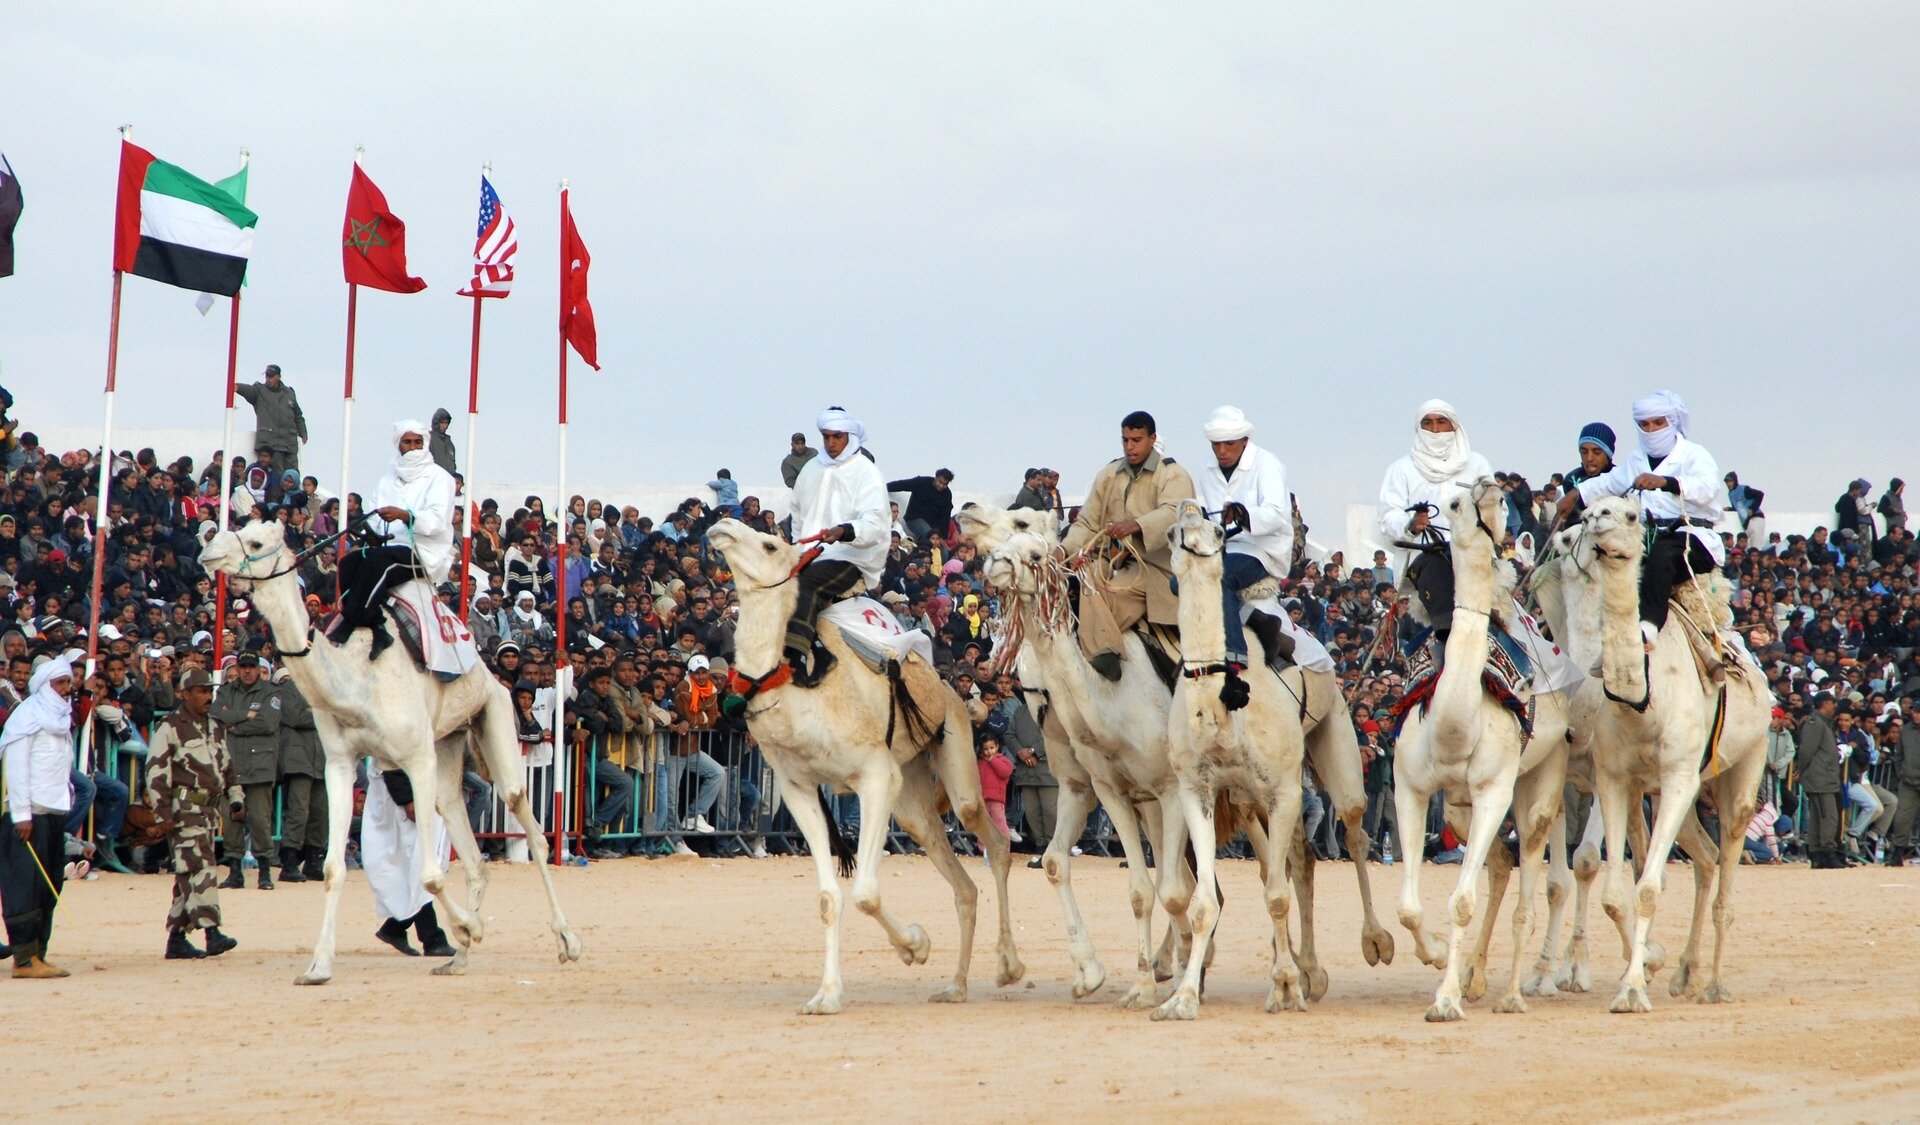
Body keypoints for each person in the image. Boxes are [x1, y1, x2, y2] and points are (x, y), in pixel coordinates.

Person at [1559, 391, 1725, 649]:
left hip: (1691, 537)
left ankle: (1648, 627)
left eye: (1658, 423)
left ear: (1672, 422)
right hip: (1646, 536)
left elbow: (1708, 488)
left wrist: (1666, 482)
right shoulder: (1637, 459)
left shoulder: (1693, 455)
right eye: (1644, 424)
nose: (1651, 430)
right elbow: (1610, 483)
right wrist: (1576, 493)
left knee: (1662, 556)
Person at [1061, 410, 1195, 680]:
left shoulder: (1173, 475)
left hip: (1154, 566)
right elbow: (1087, 523)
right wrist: (1062, 550)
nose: (1130, 447)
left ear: (1152, 439)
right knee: (1084, 574)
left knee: (1104, 589)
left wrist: (1136, 525)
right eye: (1125, 440)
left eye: (1136, 440)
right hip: (1112, 560)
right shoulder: (1109, 474)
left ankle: (1104, 652)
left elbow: (1175, 513)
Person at [1190, 406, 1294, 699]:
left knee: (1220, 579)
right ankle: (1253, 619)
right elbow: (1214, 521)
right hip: (1226, 547)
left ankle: (1235, 653)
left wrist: (1244, 514)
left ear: (1244, 441)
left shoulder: (1268, 464)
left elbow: (1276, 514)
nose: (1221, 451)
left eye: (1229, 444)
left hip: (1263, 549)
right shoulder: (1207, 469)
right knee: (1178, 582)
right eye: (1216, 445)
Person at [330, 419, 456, 658]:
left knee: (378, 564)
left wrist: (405, 516)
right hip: (387, 546)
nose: (413, 447)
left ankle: (349, 621)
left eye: (418, 442)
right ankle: (377, 623)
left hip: (423, 551)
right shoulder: (387, 479)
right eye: (407, 442)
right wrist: (375, 534)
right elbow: (376, 515)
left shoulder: (440, 478)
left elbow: (438, 520)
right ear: (398, 445)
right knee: (349, 562)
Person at [783, 408, 890, 685]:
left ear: (849, 436)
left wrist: (844, 531)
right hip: (811, 552)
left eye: (837, 437)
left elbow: (876, 523)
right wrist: (798, 548)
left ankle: (795, 659)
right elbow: (797, 513)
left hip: (852, 555)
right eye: (826, 437)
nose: (831, 443)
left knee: (804, 583)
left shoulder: (867, 473)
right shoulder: (810, 469)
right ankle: (819, 649)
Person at [141, 667, 241, 959]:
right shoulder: (170, 726)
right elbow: (156, 772)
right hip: (183, 810)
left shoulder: (216, 726)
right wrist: (162, 816)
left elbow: (228, 768)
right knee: (203, 868)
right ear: (184, 694)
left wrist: (236, 799)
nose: (207, 696)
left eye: (209, 690)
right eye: (200, 691)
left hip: (209, 810)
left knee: (189, 874)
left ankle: (176, 939)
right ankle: (212, 932)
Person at [1377, 399, 1494, 641]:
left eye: (1442, 422)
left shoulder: (1477, 465)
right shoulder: (1401, 469)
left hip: (1470, 553)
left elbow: (1494, 509)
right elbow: (1388, 516)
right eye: (1428, 423)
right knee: (1436, 564)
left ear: (1454, 426)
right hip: (1421, 556)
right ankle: (1447, 635)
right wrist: (1410, 524)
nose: (1435, 429)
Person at [0, 658, 75, 978]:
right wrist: (21, 815)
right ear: (44, 685)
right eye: (60, 683)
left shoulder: (61, 719)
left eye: (68, 683)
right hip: (29, 815)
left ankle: (39, 952)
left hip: (55, 812)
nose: (66, 689)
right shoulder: (27, 717)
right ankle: (24, 959)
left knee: (50, 885)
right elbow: (16, 769)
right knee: (25, 886)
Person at [361, 768, 456, 958]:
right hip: (406, 794)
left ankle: (396, 927)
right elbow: (389, 753)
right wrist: (405, 797)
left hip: (424, 787)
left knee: (420, 864)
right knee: (418, 864)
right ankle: (431, 938)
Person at [214, 653, 281, 889]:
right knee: (231, 820)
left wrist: (233, 726)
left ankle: (264, 872)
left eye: (252, 667)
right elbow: (216, 716)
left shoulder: (270, 692)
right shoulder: (226, 691)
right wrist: (244, 716)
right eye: (243, 667)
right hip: (231, 766)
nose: (248, 671)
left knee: (261, 820)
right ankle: (235, 872)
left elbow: (267, 723)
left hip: (259, 766)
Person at [273, 668, 327, 883]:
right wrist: (322, 713)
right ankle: (289, 861)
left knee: (320, 814)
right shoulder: (290, 687)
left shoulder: (323, 688)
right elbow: (294, 716)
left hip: (321, 758)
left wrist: (313, 711)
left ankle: (314, 861)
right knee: (298, 811)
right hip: (298, 759)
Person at [1795, 692, 1844, 869]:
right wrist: (1800, 769)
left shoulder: (1821, 723)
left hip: (1823, 776)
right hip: (1821, 777)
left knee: (1818, 816)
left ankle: (1818, 854)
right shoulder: (1816, 723)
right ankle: (1826, 852)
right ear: (1824, 704)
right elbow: (1806, 750)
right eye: (1832, 702)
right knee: (1827, 816)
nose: (1834, 706)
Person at [234, 364, 308, 474]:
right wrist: (238, 387)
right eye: (267, 376)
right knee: (277, 474)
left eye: (271, 376)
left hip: (289, 443)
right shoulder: (260, 390)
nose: (268, 379)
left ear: (278, 377)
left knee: (293, 473)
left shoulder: (289, 393)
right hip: (270, 442)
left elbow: (297, 415)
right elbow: (250, 391)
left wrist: (303, 432)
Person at [1886, 699, 1920, 866]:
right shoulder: (1905, 731)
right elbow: (1898, 756)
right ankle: (1897, 852)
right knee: (1902, 818)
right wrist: (1902, 774)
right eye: (1915, 711)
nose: (1916, 714)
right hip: (1909, 781)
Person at [886, 468, 955, 545]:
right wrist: (883, 488)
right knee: (931, 537)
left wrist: (943, 537)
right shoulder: (921, 482)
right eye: (940, 482)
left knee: (942, 548)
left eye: (945, 484)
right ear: (935, 477)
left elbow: (945, 517)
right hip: (914, 518)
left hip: (932, 524)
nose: (941, 486)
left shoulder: (947, 494)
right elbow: (901, 485)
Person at [1566, 422, 1615, 487]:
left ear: (1608, 455)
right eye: (1584, 452)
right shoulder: (1572, 480)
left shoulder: (1620, 480)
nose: (1589, 458)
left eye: (1597, 452)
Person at [428, 407, 457, 475]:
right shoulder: (429, 438)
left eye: (446, 423)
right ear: (436, 423)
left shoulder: (449, 442)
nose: (444, 426)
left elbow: (453, 463)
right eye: (442, 423)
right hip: (434, 478)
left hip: (449, 479)